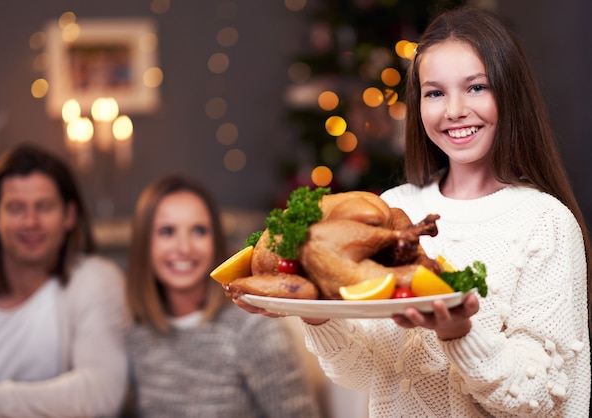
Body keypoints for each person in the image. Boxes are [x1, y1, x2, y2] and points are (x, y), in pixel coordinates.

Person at [234, 6, 591, 417]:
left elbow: (543, 398)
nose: (454, 109)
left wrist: (460, 333)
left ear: (509, 93)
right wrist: (316, 315)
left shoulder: (546, 222)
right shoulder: (398, 207)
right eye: (435, 93)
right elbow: (366, 372)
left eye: (476, 87)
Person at [123, 174, 322, 417]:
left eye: (199, 230)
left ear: (215, 240)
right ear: (145, 243)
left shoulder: (253, 329)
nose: (184, 248)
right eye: (166, 231)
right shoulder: (136, 333)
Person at [0, 143, 130, 417]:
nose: (31, 221)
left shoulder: (96, 280)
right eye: (16, 208)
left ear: (69, 215)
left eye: (44, 207)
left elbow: (101, 393)